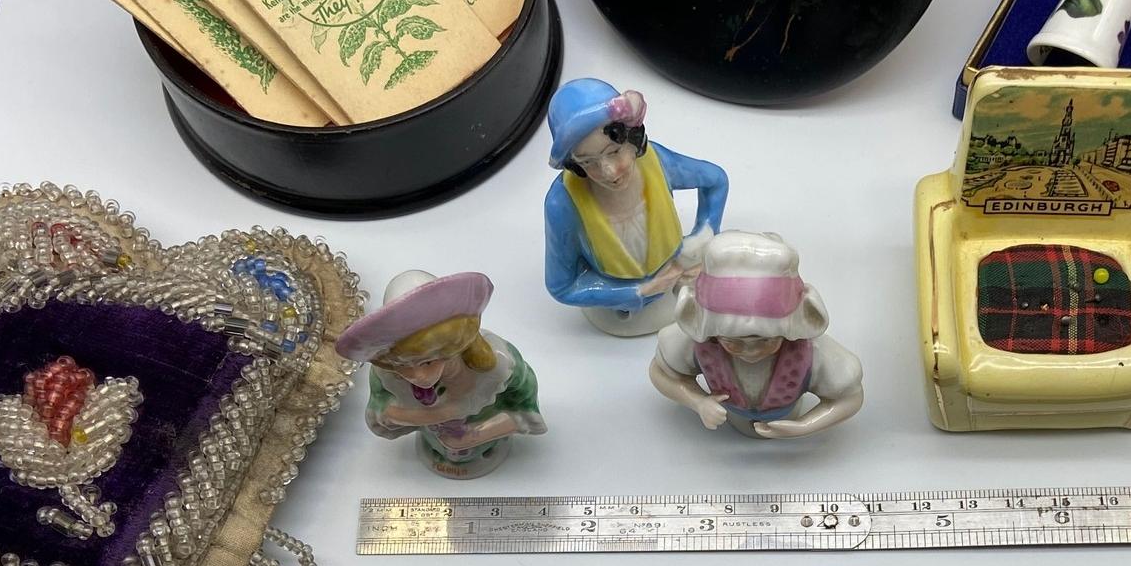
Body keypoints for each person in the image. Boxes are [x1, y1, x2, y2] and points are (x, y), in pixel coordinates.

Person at [543, 78, 729, 335]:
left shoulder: (657, 162)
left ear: (632, 139)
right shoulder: (562, 203)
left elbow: (715, 180)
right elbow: (561, 286)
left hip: (678, 283)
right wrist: (636, 292)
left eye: (614, 152)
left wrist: (704, 236)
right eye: (589, 162)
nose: (608, 171)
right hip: (618, 310)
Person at [650, 231, 863, 440]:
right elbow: (661, 372)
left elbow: (850, 397)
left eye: (766, 341)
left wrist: (804, 426)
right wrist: (698, 402)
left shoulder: (813, 353)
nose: (750, 351)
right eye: (734, 342)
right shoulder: (696, 344)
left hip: (787, 417)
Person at [336, 270, 545, 479]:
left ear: (452, 346)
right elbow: (379, 417)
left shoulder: (499, 366)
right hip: (432, 446)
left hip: (488, 447)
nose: (418, 376)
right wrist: (430, 415)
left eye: (428, 362)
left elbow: (526, 410)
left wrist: (476, 435)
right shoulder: (387, 375)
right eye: (404, 365)